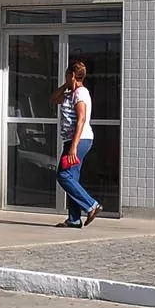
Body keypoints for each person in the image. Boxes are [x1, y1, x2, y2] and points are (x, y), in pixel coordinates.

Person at [51, 60, 101, 228]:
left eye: (66, 75)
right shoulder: (69, 93)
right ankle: (74, 219)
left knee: (63, 175)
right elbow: (53, 99)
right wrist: (66, 85)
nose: (65, 78)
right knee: (72, 178)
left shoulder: (81, 94)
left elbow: (81, 119)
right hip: (72, 140)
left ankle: (91, 205)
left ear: (72, 75)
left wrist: (73, 147)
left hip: (79, 140)